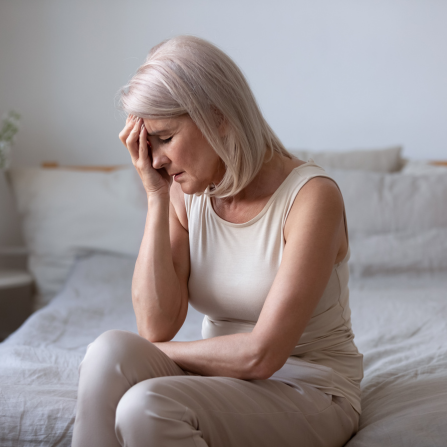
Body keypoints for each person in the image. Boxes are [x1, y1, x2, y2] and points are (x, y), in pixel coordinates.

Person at [72, 35, 363, 447]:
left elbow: (262, 354)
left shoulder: (312, 197)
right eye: (147, 144)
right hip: (223, 381)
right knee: (107, 352)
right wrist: (156, 198)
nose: (155, 160)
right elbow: (156, 325)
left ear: (218, 116)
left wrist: (167, 355)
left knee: (146, 404)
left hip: (311, 389)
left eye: (166, 138)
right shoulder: (183, 193)